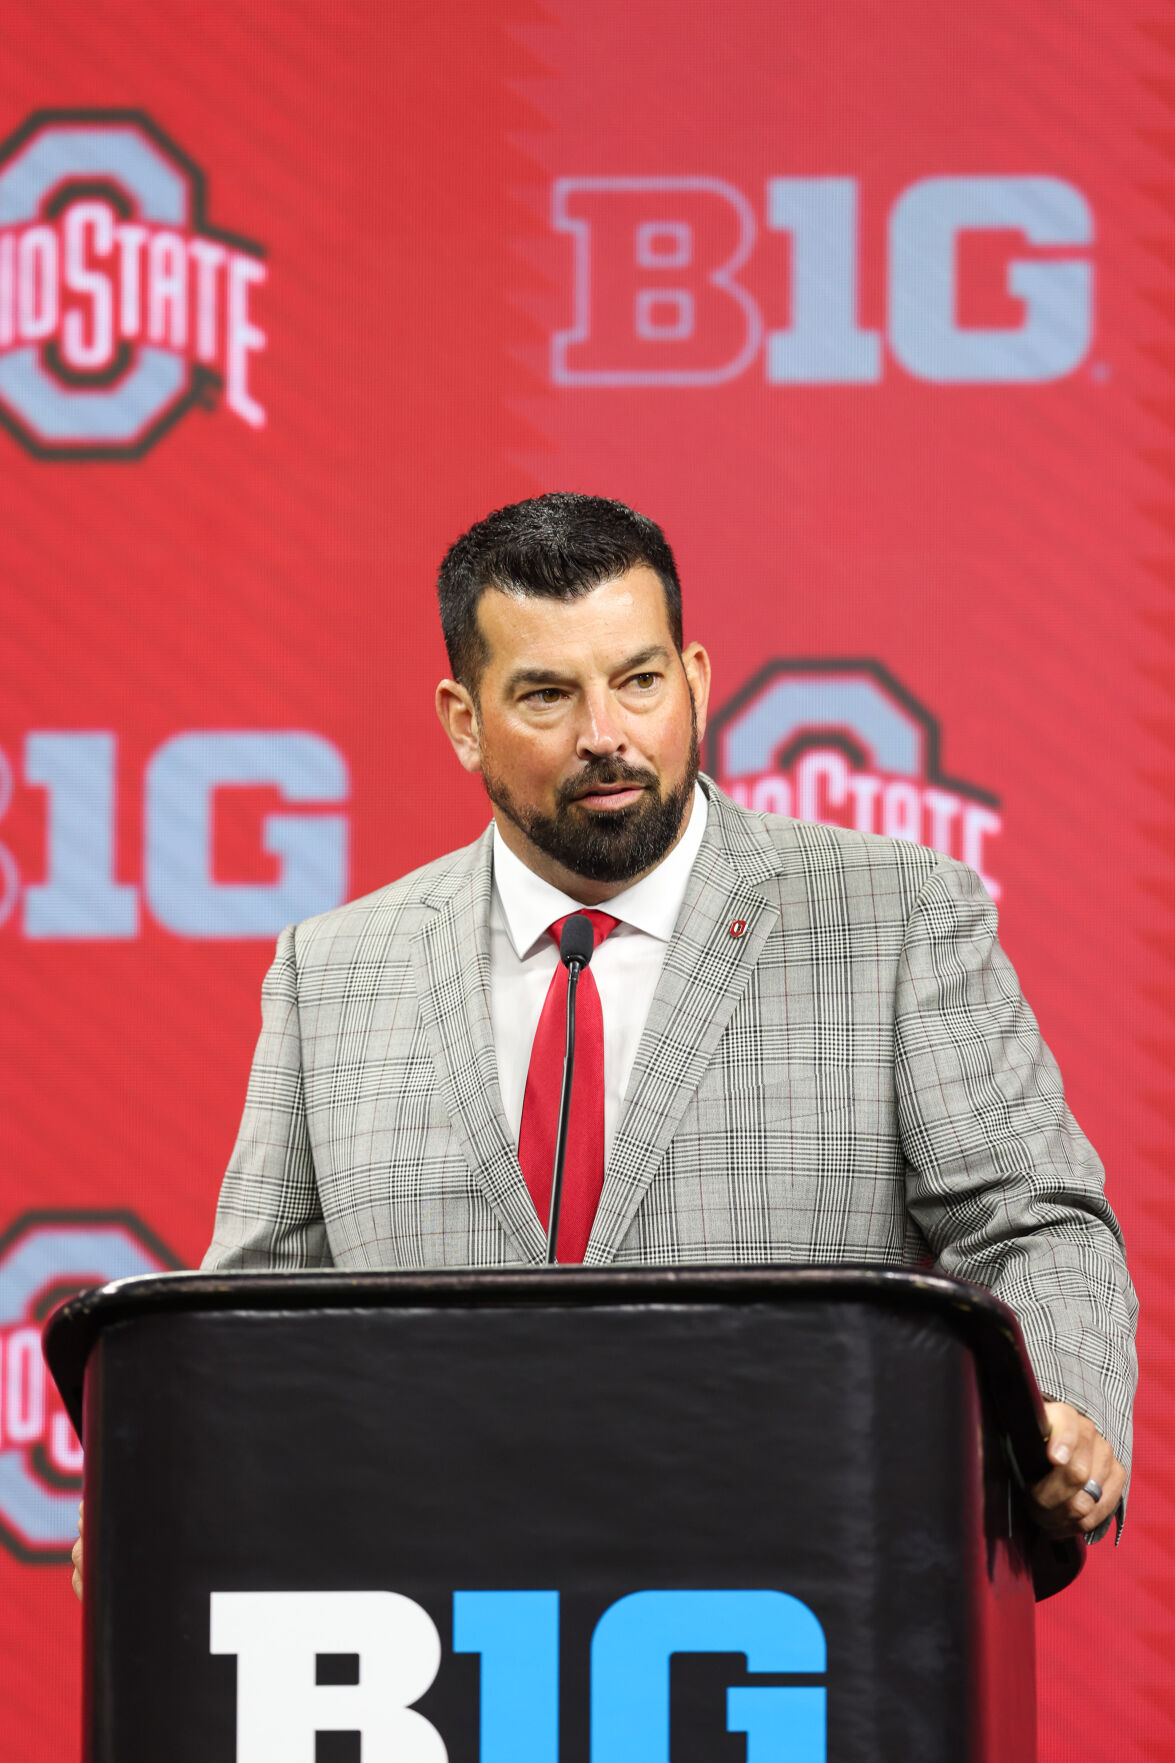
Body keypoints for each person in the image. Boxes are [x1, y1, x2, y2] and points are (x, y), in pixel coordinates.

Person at [72, 493, 1135, 1601]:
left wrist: (1057, 1405)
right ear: (461, 718)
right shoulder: (330, 970)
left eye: (638, 680)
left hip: (791, 1601)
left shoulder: (893, 914)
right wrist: (166, 1481)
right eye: (545, 693)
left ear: (696, 679)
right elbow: (252, 1319)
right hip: (440, 1614)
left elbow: (1031, 1221)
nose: (605, 734)